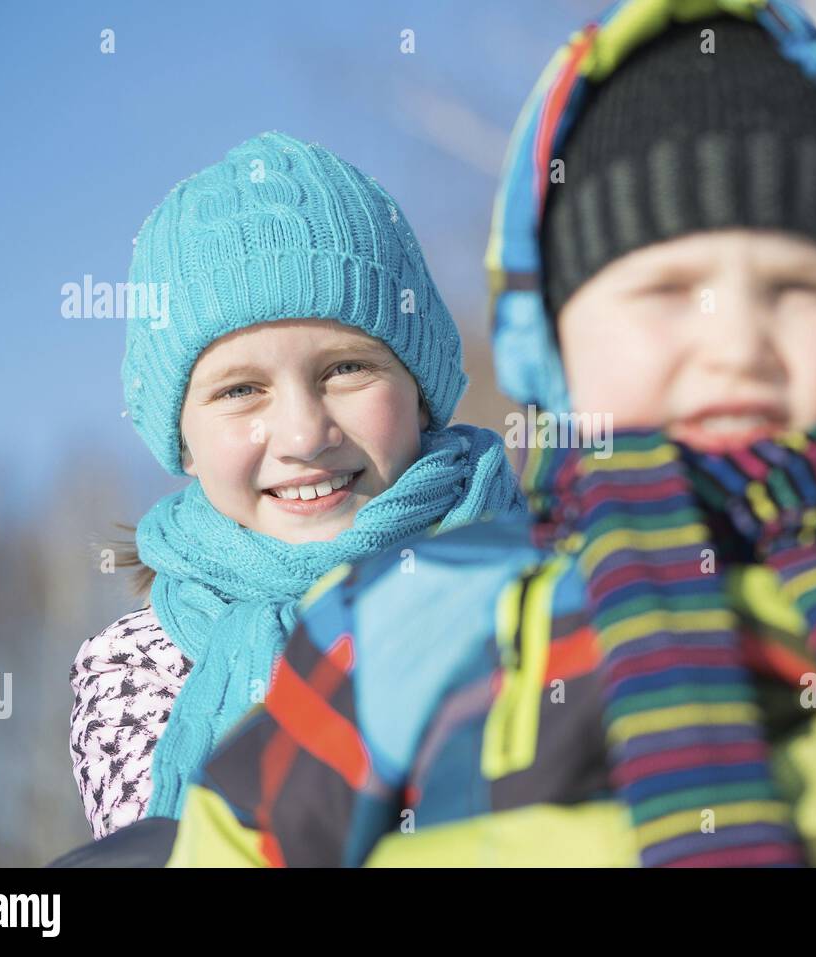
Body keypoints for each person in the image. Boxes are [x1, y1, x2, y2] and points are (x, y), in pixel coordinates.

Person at [104, 0, 816, 868]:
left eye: (794, 289)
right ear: (555, 344)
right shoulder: (422, 614)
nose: (735, 346)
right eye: (668, 292)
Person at [67, 131, 524, 840]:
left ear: (422, 390)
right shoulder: (139, 666)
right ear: (182, 439)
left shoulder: (537, 589)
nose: (306, 435)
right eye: (242, 389)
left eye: (345, 369)